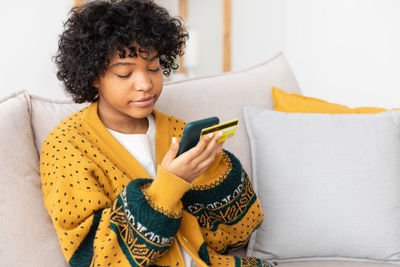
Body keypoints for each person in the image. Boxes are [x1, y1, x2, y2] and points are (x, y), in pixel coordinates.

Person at [40, 0, 277, 266]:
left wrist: (213, 175)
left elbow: (235, 236)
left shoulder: (178, 131)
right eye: (124, 73)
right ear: (93, 76)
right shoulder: (67, 145)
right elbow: (95, 256)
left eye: (153, 68)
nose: (145, 84)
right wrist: (170, 184)